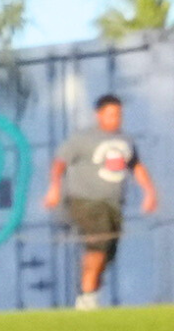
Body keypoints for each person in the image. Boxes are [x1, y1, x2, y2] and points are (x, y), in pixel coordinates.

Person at [59, 90, 160, 306]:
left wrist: (149, 192)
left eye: (119, 115)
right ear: (99, 115)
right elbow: (60, 162)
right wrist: (53, 189)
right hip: (86, 201)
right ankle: (86, 296)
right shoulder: (83, 139)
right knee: (99, 243)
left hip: (113, 204)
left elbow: (136, 166)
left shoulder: (125, 140)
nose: (116, 119)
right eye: (111, 114)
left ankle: (89, 294)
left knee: (107, 251)